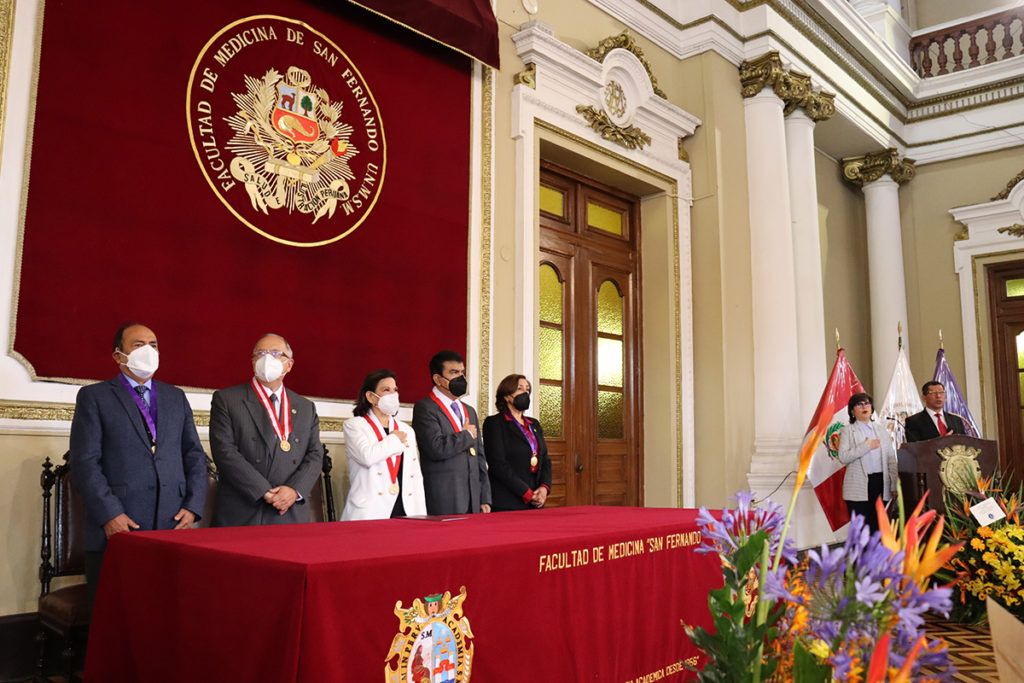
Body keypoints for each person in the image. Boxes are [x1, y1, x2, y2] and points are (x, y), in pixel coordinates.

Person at [69, 322, 207, 598]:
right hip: (120, 528)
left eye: (153, 344)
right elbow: (85, 462)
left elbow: (194, 455)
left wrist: (192, 506)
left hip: (172, 527)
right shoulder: (94, 397)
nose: (148, 350)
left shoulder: (175, 397)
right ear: (118, 355)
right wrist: (110, 514)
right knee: (118, 618)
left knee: (165, 615)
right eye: (138, 344)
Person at [209, 333, 324, 526]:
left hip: (290, 511)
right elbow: (224, 452)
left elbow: (315, 454)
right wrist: (264, 491)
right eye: (261, 353)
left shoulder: (305, 406)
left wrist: (294, 490)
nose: (267, 358)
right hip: (243, 509)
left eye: (276, 353)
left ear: (289, 364)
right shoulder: (227, 399)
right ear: (253, 361)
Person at [412, 350, 491, 515]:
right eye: (454, 372)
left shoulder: (469, 410)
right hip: (445, 496)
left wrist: (484, 496)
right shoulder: (425, 408)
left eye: (462, 372)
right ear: (438, 379)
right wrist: (466, 436)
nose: (461, 378)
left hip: (473, 497)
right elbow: (435, 448)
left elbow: (479, 457)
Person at [341, 369, 426, 520]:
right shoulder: (355, 425)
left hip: (406, 508)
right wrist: (393, 440)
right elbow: (367, 457)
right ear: (371, 396)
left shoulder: (406, 430)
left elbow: (415, 477)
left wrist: (420, 512)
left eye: (395, 390)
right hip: (371, 510)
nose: (393, 395)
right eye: (386, 390)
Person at [482, 374, 552, 511]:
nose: (525, 393)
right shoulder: (494, 423)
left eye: (527, 389)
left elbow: (545, 460)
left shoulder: (534, 424)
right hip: (508, 500)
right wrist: (526, 493)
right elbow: (498, 464)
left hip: (536, 500)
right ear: (507, 396)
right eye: (520, 388)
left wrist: (544, 488)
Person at [836, 392, 898, 534]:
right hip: (858, 485)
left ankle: (878, 556)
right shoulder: (847, 431)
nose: (864, 407)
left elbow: (891, 459)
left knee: (878, 527)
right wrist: (866, 446)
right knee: (861, 529)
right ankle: (860, 556)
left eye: (867, 403)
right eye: (859, 404)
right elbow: (843, 457)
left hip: (880, 482)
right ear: (852, 411)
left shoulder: (881, 430)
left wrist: (894, 484)